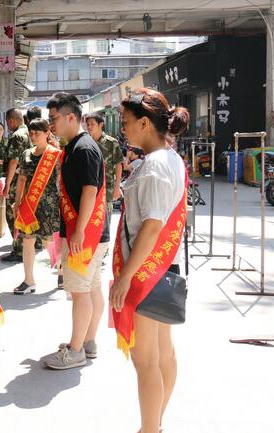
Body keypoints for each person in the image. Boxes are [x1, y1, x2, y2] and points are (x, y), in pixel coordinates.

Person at [109, 88, 189, 433]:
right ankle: (155, 424)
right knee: (163, 354)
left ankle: (149, 428)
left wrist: (125, 277)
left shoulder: (155, 166)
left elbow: (153, 226)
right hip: (164, 269)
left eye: (126, 122)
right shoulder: (170, 158)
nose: (123, 128)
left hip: (147, 273)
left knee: (146, 362)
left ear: (144, 123)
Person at [43, 92, 107, 370]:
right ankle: (88, 341)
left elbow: (90, 191)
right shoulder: (74, 146)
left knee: (80, 292)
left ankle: (76, 350)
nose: (50, 124)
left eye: (54, 118)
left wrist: (79, 231)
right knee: (91, 288)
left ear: (71, 117)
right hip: (90, 232)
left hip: (86, 235)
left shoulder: (84, 149)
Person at [12, 118, 61, 294]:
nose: (33, 137)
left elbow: (61, 181)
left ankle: (62, 271)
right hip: (29, 204)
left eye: (37, 133)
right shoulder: (26, 154)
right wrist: (17, 202)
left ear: (47, 133)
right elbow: (21, 179)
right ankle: (29, 280)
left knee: (49, 241)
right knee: (27, 240)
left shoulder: (55, 155)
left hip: (49, 205)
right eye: (31, 133)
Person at [85, 112, 124, 268]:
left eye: (92, 124)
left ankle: (101, 252)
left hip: (106, 190)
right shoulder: (86, 142)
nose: (89, 127)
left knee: (104, 220)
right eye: (88, 124)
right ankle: (92, 248)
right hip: (90, 189)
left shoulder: (111, 142)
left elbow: (119, 164)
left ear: (101, 125)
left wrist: (117, 187)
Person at [3, 108, 32, 262]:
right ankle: (26, 245)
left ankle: (19, 249)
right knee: (24, 212)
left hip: (16, 181)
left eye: (8, 122)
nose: (8, 125)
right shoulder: (30, 133)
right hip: (28, 180)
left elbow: (13, 161)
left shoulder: (17, 136)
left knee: (12, 214)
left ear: (11, 120)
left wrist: (7, 184)